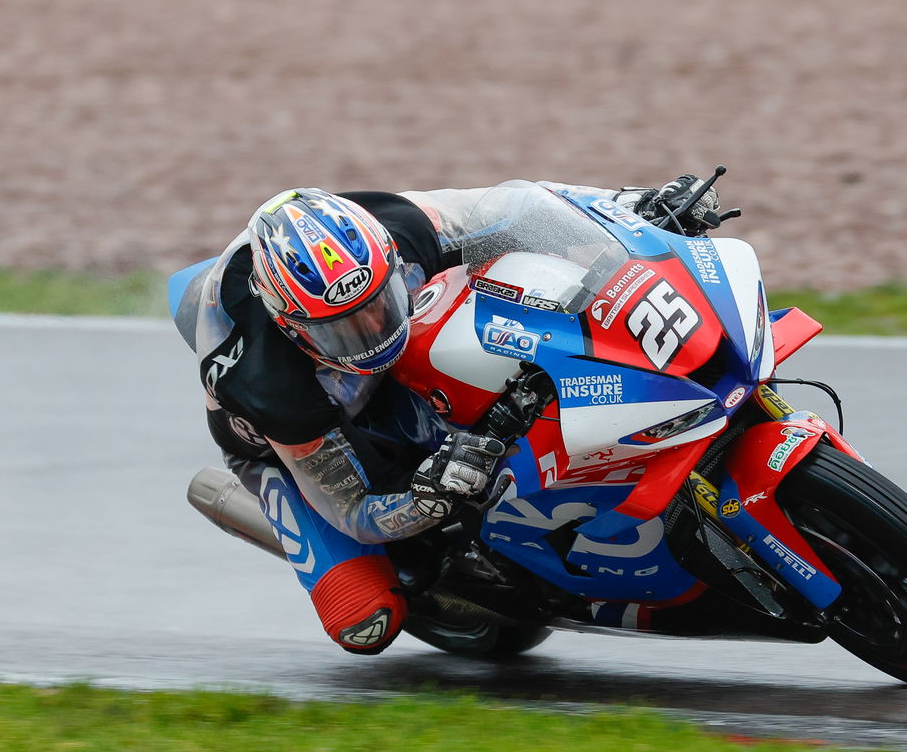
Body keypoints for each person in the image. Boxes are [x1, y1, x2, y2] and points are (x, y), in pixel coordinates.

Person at [173, 177, 723, 655]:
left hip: (387, 353)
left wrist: (638, 206)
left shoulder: (397, 225)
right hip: (290, 445)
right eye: (343, 328)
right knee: (364, 620)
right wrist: (428, 495)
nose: (371, 333)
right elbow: (357, 508)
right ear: (291, 325)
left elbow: (526, 210)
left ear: (387, 261)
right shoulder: (269, 386)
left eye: (378, 303)